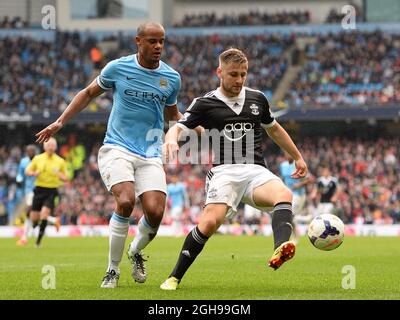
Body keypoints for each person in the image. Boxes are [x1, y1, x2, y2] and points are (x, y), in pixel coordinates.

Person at [35, 22, 200, 289]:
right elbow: (88, 93)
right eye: (152, 41)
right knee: (124, 201)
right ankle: (112, 270)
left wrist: (196, 126)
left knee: (156, 212)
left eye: (162, 41)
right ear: (138, 41)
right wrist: (60, 122)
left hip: (150, 152)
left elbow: (173, 116)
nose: (158, 46)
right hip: (117, 147)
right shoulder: (117, 68)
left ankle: (135, 251)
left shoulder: (171, 78)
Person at [161, 48, 308, 290]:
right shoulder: (205, 103)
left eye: (243, 74)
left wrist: (297, 157)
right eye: (233, 75)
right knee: (209, 223)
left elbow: (274, 129)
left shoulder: (257, 99)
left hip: (255, 170)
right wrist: (170, 139)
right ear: (219, 72)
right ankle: (174, 277)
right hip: (224, 172)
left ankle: (280, 248)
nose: (239, 80)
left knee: (284, 195)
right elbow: (178, 126)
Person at [25, 138, 67, 247]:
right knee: (34, 217)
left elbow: (66, 178)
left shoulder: (60, 161)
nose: (50, 147)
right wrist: (34, 173)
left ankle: (38, 242)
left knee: (44, 214)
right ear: (44, 146)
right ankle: (35, 224)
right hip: (39, 189)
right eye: (48, 145)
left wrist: (58, 174)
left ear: (56, 147)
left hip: (51, 191)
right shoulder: (37, 159)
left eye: (53, 145)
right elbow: (27, 171)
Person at [279, 152, 314, 243]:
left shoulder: (299, 164)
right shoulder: (282, 165)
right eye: (286, 153)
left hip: (299, 194)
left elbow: (310, 179)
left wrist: (300, 184)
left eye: (289, 153)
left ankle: (296, 235)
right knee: (289, 215)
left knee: (290, 214)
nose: (288, 155)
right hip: (288, 193)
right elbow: (284, 178)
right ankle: (305, 219)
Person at [16, 144, 37, 246]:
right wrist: (19, 180)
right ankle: (25, 236)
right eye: (29, 151)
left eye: (32, 151)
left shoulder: (38, 160)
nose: (30, 153)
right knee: (30, 210)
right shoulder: (23, 162)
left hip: (39, 188)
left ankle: (25, 236)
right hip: (29, 189)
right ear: (26, 152)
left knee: (33, 211)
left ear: (35, 151)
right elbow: (20, 174)